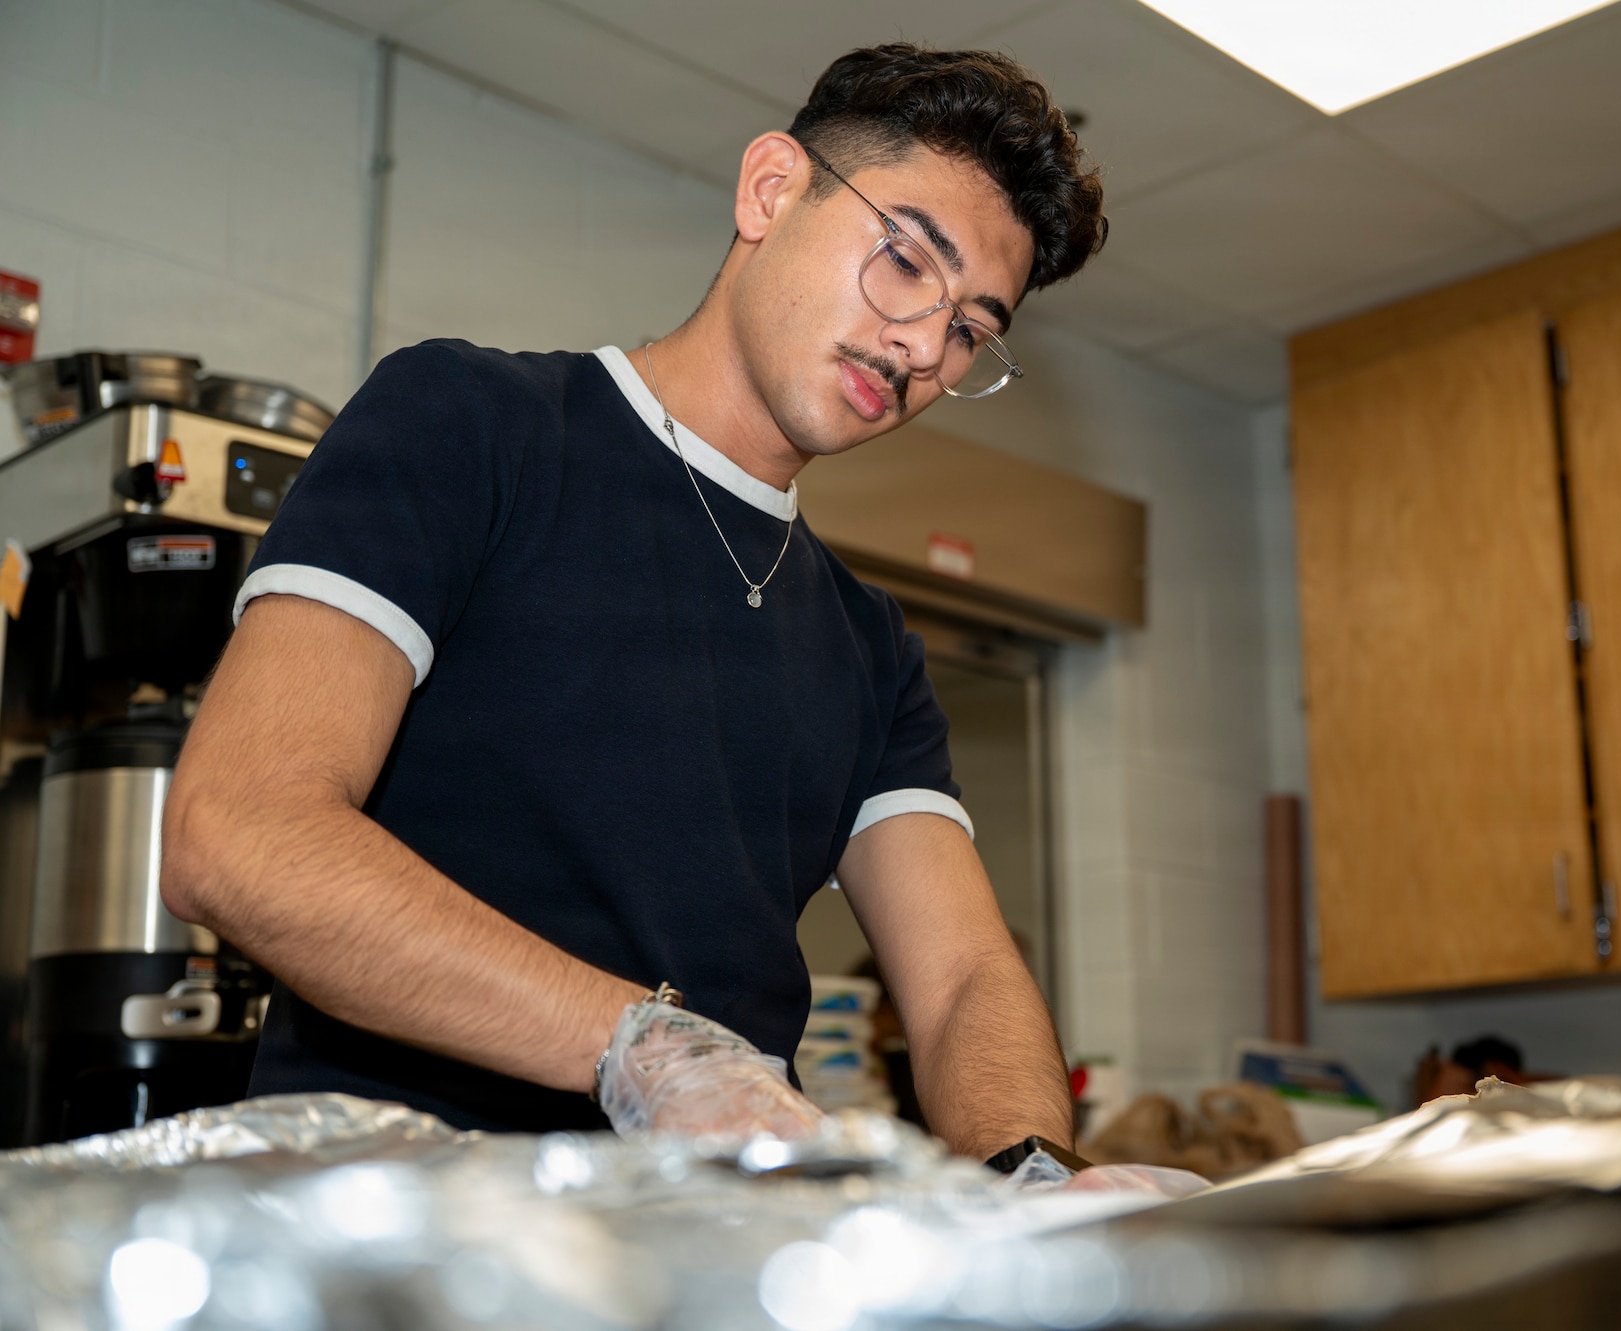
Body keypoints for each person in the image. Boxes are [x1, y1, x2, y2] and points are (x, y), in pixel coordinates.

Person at [159, 44, 1107, 1164]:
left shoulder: (868, 645)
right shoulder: (471, 422)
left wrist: (1036, 1174)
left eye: (967, 330)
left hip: (704, 1261)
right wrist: (643, 1047)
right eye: (903, 259)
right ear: (770, 189)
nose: (918, 347)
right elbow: (240, 833)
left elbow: (959, 979)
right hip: (405, 1235)